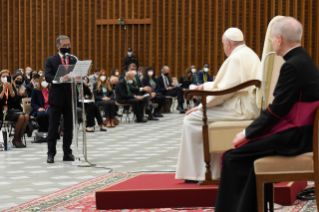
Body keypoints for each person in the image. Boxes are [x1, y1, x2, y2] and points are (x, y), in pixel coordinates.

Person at [215, 17, 319, 212]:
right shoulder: (303, 60)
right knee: (245, 155)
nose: (271, 42)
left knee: (232, 157)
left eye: (272, 38)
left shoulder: (292, 66)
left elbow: (275, 110)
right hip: (302, 133)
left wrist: (246, 133)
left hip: (295, 137)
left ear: (279, 39)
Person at [175, 27, 261, 183]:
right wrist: (206, 86)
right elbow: (230, 84)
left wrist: (202, 106)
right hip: (246, 105)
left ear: (228, 43)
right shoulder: (250, 54)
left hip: (239, 108)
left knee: (192, 119)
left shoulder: (235, 58)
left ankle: (199, 173)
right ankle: (214, 170)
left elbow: (223, 92)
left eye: (223, 44)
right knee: (199, 118)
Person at [45, 35, 76, 164]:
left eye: (68, 45)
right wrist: (60, 79)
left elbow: (77, 74)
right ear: (58, 46)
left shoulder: (73, 59)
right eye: (64, 46)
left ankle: (67, 152)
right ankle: (51, 154)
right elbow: (47, 76)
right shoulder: (51, 60)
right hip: (56, 98)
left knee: (69, 127)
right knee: (53, 127)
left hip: (69, 98)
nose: (67, 47)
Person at [0, 70, 29, 148]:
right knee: (21, 117)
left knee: (26, 116)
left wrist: (11, 90)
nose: (5, 78)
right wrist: (3, 90)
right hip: (2, 112)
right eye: (3, 77)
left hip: (11, 110)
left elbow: (15, 101)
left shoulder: (11, 86)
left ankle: (19, 139)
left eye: (7, 77)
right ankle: (15, 139)